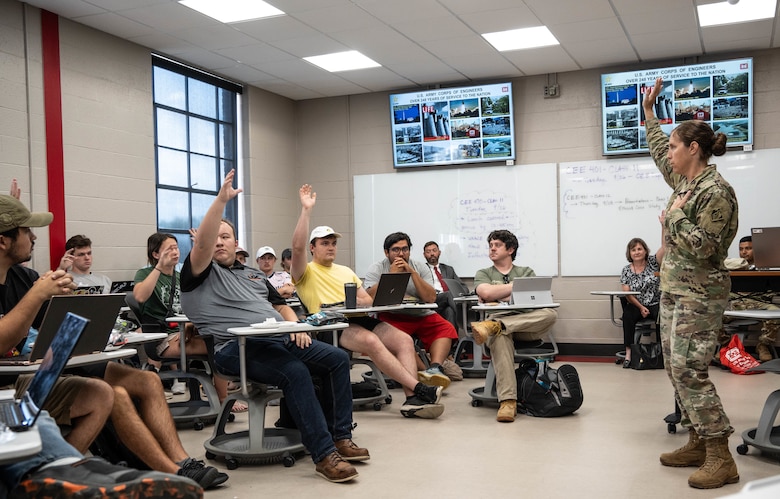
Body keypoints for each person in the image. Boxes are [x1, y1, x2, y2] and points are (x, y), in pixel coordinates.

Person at [0, 191, 220, 492]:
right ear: (3, 241)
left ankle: (181, 462)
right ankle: (156, 473)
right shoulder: (30, 285)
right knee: (106, 393)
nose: (32, 238)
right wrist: (39, 294)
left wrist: (71, 309)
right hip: (13, 382)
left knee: (146, 381)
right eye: (26, 231)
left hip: (40, 368)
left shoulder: (22, 279)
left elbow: (48, 328)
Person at [180, 170, 368, 483]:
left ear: (236, 243)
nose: (218, 242)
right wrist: (220, 202)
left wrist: (294, 326)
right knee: (294, 371)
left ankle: (340, 437)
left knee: (336, 359)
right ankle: (323, 455)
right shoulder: (199, 272)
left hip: (277, 339)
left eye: (225, 237)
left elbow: (281, 305)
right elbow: (203, 243)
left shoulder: (254, 275)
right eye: (214, 238)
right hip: (233, 348)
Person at [644, 77, 740, 489]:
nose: (669, 153)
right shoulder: (684, 182)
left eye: (674, 146)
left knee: (689, 368)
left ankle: (721, 454)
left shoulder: (714, 191)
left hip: (701, 292)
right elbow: (656, 153)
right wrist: (650, 114)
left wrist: (674, 220)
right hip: (675, 289)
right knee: (674, 366)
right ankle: (697, 440)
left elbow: (705, 248)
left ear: (693, 149)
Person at [291, 184, 444, 419]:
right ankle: (419, 389)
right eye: (324, 243)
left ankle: (412, 400)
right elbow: (297, 247)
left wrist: (361, 303)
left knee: (403, 340)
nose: (331, 247)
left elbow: (364, 298)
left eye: (333, 243)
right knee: (372, 341)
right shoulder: (305, 272)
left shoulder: (345, 270)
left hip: (358, 318)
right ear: (313, 248)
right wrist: (306, 210)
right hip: (330, 326)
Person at [133, 233, 244, 412]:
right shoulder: (145, 273)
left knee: (223, 337)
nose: (175, 252)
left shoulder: (181, 276)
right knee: (216, 343)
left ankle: (222, 394)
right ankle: (223, 399)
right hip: (162, 338)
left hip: (187, 331)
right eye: (169, 249)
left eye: (176, 247)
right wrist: (159, 268)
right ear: (155, 254)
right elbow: (139, 296)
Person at [469, 229, 558, 423]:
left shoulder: (525, 271)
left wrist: (496, 293)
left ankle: (496, 325)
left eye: (497, 245)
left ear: (510, 249)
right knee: (500, 336)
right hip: (497, 330)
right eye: (490, 245)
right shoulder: (483, 273)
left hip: (525, 326)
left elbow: (536, 299)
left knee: (550, 314)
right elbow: (486, 292)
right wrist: (518, 288)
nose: (492, 249)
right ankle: (508, 401)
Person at [363, 233, 458, 388]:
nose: (401, 254)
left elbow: (430, 298)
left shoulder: (419, 267)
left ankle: (435, 367)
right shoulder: (377, 268)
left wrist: (412, 273)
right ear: (386, 252)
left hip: (420, 314)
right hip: (392, 316)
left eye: (405, 249)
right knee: (398, 340)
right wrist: (391, 275)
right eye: (396, 250)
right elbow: (368, 298)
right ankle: (424, 373)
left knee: (445, 327)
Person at [725, 235, 778, 362]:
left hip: (759, 302)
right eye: (741, 249)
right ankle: (726, 346)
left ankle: (763, 345)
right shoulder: (734, 266)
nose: (744, 252)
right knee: (712, 315)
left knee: (776, 314)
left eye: (748, 248)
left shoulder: (768, 267)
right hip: (736, 303)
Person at [619, 237, 664, 367]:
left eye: (639, 249)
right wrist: (641, 307)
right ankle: (628, 353)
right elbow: (627, 294)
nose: (637, 252)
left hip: (655, 303)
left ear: (645, 251)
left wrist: (663, 225)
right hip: (636, 304)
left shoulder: (653, 263)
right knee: (627, 314)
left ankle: (662, 354)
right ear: (630, 253)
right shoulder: (626, 270)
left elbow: (664, 247)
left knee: (663, 316)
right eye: (633, 250)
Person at [422, 240, 464, 332]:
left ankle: (453, 344)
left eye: (434, 250)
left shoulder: (448, 269)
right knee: (448, 294)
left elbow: (463, 287)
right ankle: (465, 320)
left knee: (450, 311)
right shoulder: (421, 269)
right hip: (431, 301)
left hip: (446, 303)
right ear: (424, 255)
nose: (432, 254)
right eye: (428, 252)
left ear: (439, 252)